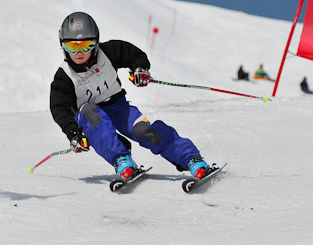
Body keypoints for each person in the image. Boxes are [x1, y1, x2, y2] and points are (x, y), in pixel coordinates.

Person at [49, 11, 213, 181]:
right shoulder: (64, 77)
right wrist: (73, 133)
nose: (79, 52)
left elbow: (135, 55)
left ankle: (191, 159)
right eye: (72, 47)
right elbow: (59, 108)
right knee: (94, 118)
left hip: (118, 107)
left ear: (96, 43)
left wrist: (139, 69)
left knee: (144, 130)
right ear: (62, 46)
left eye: (86, 45)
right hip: (90, 116)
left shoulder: (109, 52)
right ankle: (122, 160)